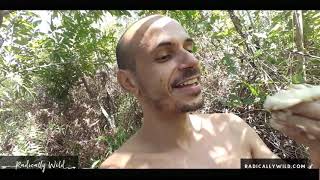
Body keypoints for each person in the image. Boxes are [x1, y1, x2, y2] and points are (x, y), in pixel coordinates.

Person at [100, 14, 320, 169]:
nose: (192, 60)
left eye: (189, 49)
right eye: (164, 56)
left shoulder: (232, 129)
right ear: (129, 81)